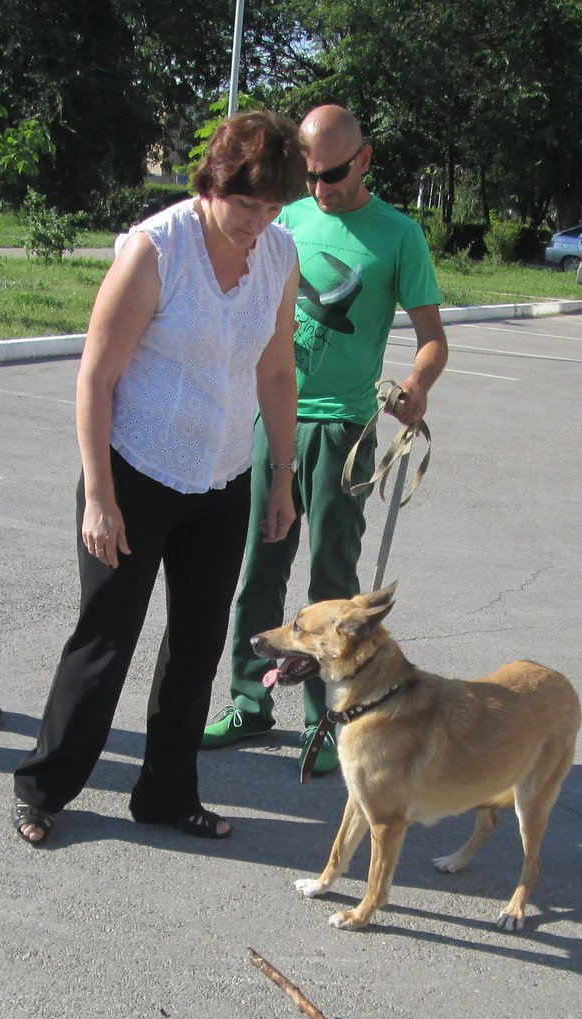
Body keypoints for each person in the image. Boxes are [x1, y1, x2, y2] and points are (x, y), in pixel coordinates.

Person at [12, 111, 305, 846]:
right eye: (247, 205)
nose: (257, 223)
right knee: (105, 638)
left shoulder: (278, 256)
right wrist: (99, 496)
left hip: (222, 477)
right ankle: (43, 788)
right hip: (134, 474)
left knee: (198, 644)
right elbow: (95, 377)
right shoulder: (157, 250)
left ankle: (167, 795)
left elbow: (274, 370)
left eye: (273, 208)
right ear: (211, 182)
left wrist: (280, 478)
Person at [202, 104, 449, 776]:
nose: (319, 188)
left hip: (344, 426)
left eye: (333, 174)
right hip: (271, 417)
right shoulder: (283, 217)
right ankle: (248, 703)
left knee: (334, 583)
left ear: (364, 159)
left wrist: (413, 385)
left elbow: (432, 339)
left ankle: (326, 719)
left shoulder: (397, 235)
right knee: (259, 563)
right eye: (308, 174)